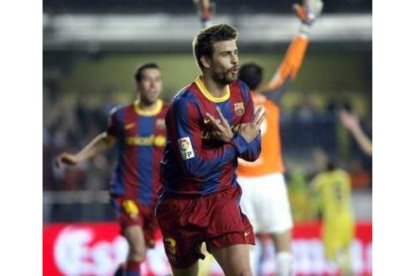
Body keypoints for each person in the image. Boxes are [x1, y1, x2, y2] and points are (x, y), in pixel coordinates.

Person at [155, 23, 265, 276]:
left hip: (222, 197)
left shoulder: (242, 93)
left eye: (235, 52)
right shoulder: (186, 105)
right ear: (205, 60)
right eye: (226, 54)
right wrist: (236, 141)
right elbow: (194, 167)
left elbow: (254, 151)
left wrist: (234, 138)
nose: (235, 60)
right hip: (181, 203)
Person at [56, 63, 168, 276]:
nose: (153, 85)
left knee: (140, 253)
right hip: (128, 194)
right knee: (136, 247)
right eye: (148, 79)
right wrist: (78, 157)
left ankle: (122, 273)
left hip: (158, 197)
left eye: (157, 79)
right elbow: (106, 140)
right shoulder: (122, 116)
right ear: (138, 84)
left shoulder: (169, 115)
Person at [236, 0, 323, 275]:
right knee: (282, 243)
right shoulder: (271, 99)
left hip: (240, 183)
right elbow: (289, 68)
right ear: (260, 81)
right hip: (271, 178)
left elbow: (209, 73)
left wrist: (205, 25)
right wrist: (305, 27)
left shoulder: (228, 103)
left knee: (244, 247)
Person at [310, 159, 355, 274]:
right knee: (345, 250)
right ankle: (347, 270)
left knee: (331, 252)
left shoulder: (322, 180)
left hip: (332, 220)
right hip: (347, 217)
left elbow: (312, 189)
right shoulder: (343, 176)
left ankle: (347, 270)